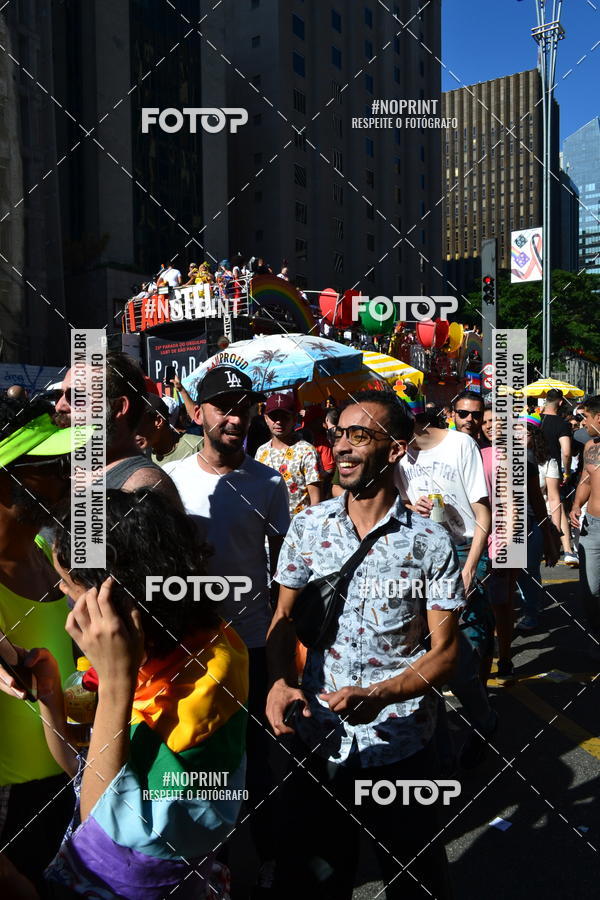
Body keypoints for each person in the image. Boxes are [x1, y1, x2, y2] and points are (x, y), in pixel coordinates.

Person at [266, 391, 462, 899]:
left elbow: (445, 654)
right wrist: (279, 681)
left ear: (395, 448)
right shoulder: (308, 527)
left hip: (399, 746)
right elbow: (283, 618)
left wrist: (379, 695)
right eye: (338, 435)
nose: (344, 448)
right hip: (319, 739)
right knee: (316, 882)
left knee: (416, 880)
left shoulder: (430, 541)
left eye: (361, 435)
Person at [29, 489, 247, 899]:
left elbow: (102, 822)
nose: (61, 593)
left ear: (111, 601)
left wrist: (115, 684)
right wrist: (49, 695)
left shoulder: (197, 700)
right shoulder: (159, 656)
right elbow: (85, 775)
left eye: (67, 583)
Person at [164, 366, 290, 890]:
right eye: (223, 407)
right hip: (193, 650)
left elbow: (288, 566)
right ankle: (202, 864)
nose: (235, 417)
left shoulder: (268, 482)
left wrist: (287, 641)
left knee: (256, 760)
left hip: (253, 643)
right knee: (196, 757)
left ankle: (263, 861)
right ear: (199, 414)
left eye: (243, 406)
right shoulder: (170, 482)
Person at [0, 395, 90, 890]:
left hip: (65, 777)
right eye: (51, 467)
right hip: (7, 795)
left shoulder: (47, 551)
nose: (66, 479)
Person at [397, 397, 495, 767]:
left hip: (464, 548)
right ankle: (438, 738)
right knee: (425, 646)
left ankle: (484, 721)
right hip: (421, 553)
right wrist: (411, 507)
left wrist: (471, 566)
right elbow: (399, 502)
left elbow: (483, 511)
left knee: (464, 646)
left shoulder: (460, 444)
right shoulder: (400, 458)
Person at [54, 351, 183, 507]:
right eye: (59, 395)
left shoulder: (141, 487)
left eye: (76, 396)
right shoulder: (60, 472)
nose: (59, 406)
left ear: (118, 407)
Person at [256, 392, 322, 515]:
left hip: (300, 528)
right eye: (274, 416)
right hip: (268, 528)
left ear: (294, 419)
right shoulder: (261, 452)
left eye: (285, 416)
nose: (279, 422)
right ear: (266, 419)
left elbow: (316, 501)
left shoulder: (306, 451)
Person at [570, 395, 600, 650]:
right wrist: (576, 504)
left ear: (598, 418)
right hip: (592, 527)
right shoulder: (590, 446)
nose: (583, 424)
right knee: (589, 590)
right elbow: (586, 479)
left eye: (586, 418)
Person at [541, 389, 578, 566]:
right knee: (559, 506)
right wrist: (567, 471)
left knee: (535, 504)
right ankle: (568, 550)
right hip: (553, 470)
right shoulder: (562, 424)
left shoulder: (535, 421)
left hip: (534, 468)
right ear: (561, 403)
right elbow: (566, 451)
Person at [135, 393, 204, 467]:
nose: (132, 432)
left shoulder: (196, 446)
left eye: (137, 425)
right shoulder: (140, 458)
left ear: (158, 421)